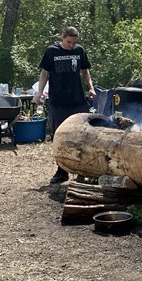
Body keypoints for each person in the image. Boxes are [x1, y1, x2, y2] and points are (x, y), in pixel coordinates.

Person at [34, 26, 96, 183]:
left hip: (77, 100)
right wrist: (39, 92)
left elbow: (85, 71)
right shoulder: (51, 51)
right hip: (58, 101)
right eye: (69, 42)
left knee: (82, 136)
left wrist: (91, 87)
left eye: (74, 42)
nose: (71, 46)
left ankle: (82, 171)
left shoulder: (79, 50)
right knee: (59, 136)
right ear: (63, 38)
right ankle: (62, 170)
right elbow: (44, 73)